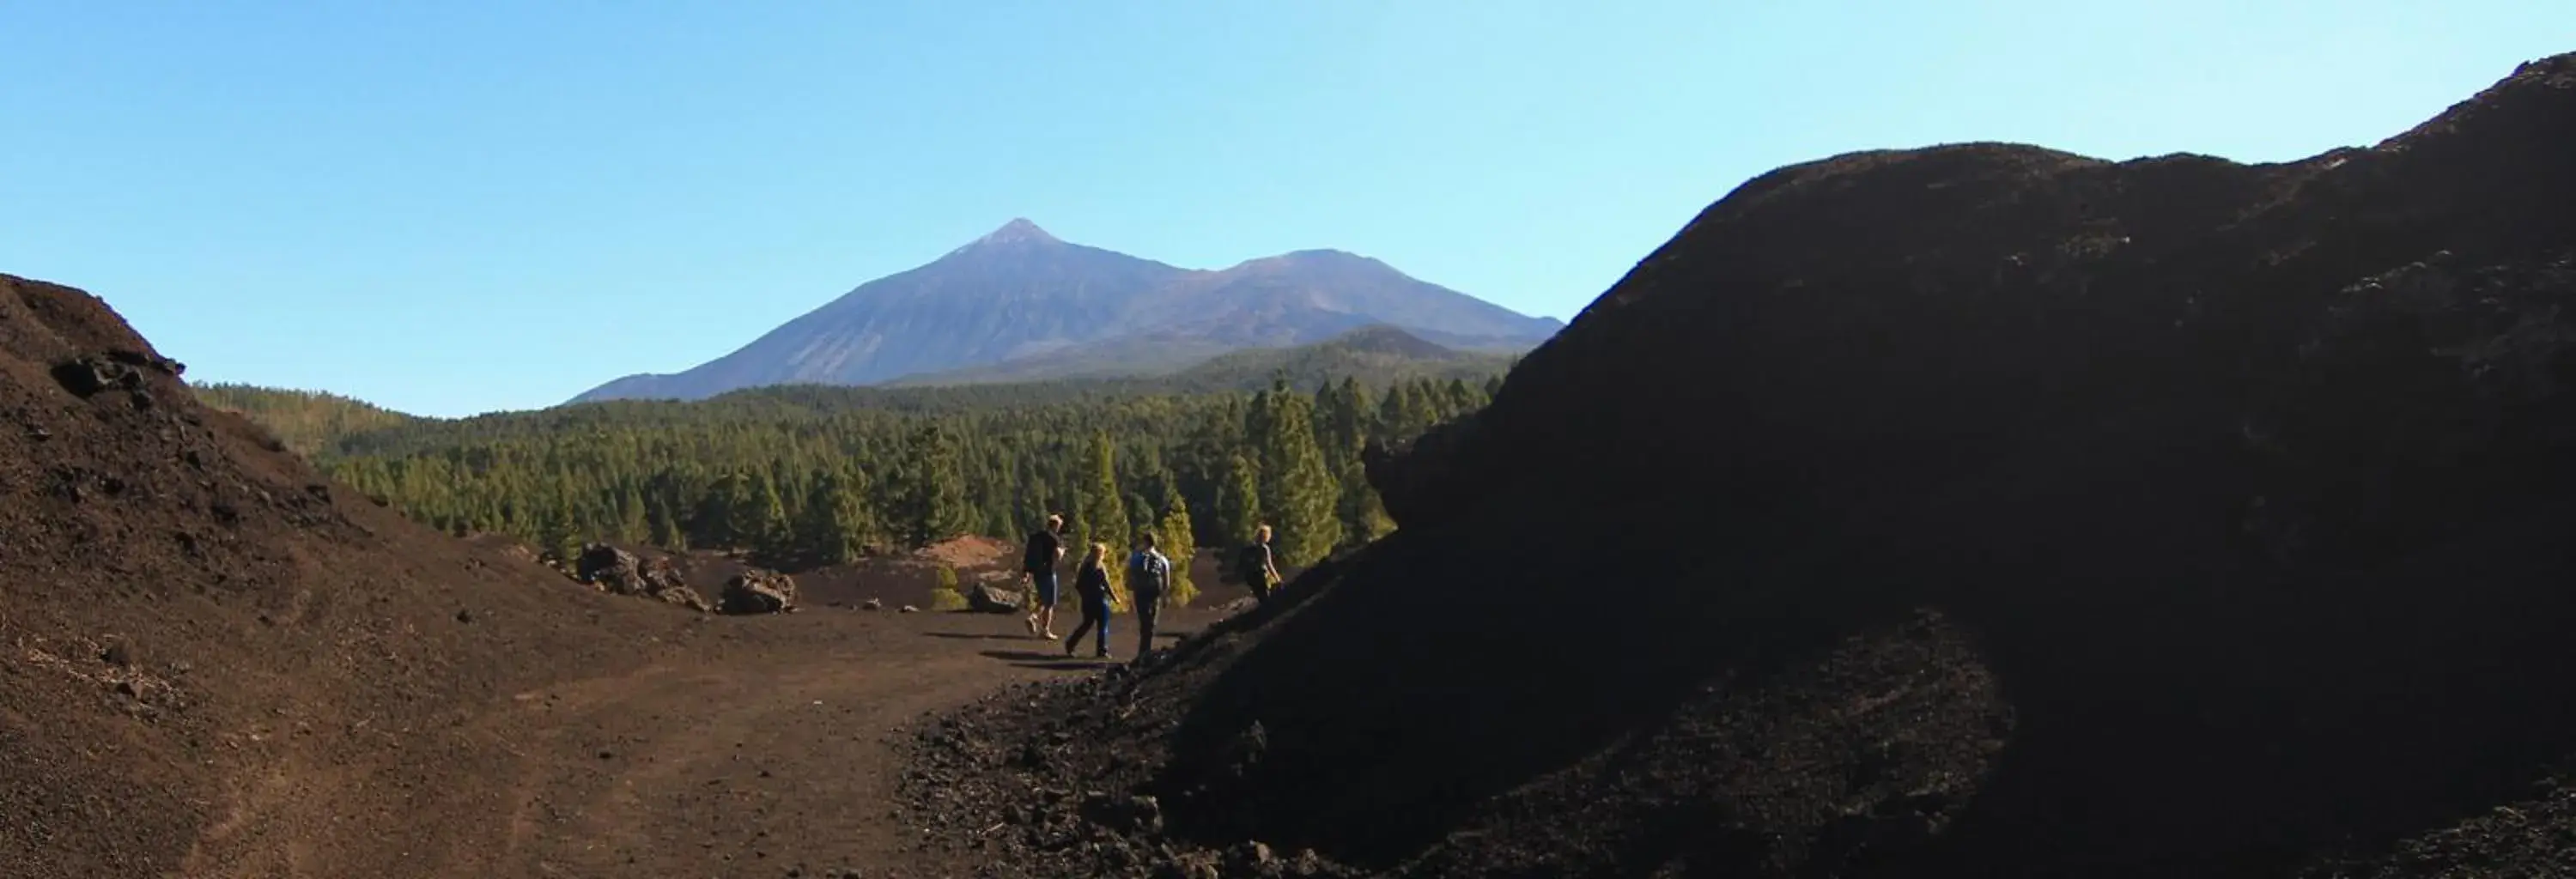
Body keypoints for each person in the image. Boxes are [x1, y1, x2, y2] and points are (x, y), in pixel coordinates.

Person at [1126, 531, 1173, 662]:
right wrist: (1165, 596)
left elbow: (1130, 575)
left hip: (1140, 591)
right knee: (1152, 620)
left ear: (1145, 542)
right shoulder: (1162, 559)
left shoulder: (1137, 557)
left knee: (1144, 619)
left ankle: (1143, 650)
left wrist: (1130, 588)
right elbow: (1166, 579)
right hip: (1155, 592)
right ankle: (1146, 649)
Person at [1063, 543, 1115, 660]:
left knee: (1086, 624)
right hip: (1100, 600)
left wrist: (1085, 595)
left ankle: (1070, 644)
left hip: (1087, 601)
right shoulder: (1100, 567)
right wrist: (1114, 597)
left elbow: (1078, 585)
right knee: (1103, 626)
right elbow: (1106, 584)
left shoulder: (1084, 566)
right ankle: (1102, 650)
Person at [1021, 514, 1066, 640]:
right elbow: (1058, 554)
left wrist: (1026, 572)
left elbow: (1028, 555)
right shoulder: (1054, 539)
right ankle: (1044, 629)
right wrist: (1056, 563)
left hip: (1037, 572)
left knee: (1042, 597)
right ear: (1056, 526)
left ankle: (1034, 618)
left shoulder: (1036, 537)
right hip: (1048, 572)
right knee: (1049, 603)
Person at [1236, 524, 1282, 603]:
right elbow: (1269, 565)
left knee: (1261, 598)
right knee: (1267, 598)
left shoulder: (1249, 548)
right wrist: (1277, 578)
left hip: (1251, 578)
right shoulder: (1264, 548)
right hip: (1261, 576)